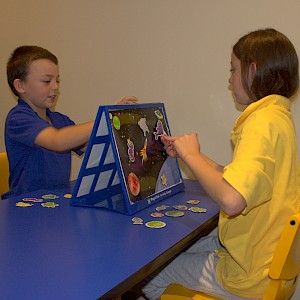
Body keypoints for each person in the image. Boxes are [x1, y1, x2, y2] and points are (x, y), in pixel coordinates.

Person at [142, 28, 300, 300]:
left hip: (248, 276)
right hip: (263, 261)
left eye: (233, 70)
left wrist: (192, 156)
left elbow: (232, 199)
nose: (229, 80)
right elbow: (242, 181)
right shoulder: (278, 119)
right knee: (184, 249)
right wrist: (194, 155)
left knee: (149, 275)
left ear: (253, 71)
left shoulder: (261, 123)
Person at [4, 45, 137, 199]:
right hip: (25, 205)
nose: (55, 86)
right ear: (20, 86)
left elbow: (92, 146)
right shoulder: (18, 118)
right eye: (47, 81)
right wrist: (107, 118)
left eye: (57, 80)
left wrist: (122, 127)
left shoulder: (60, 120)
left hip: (57, 201)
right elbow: (57, 140)